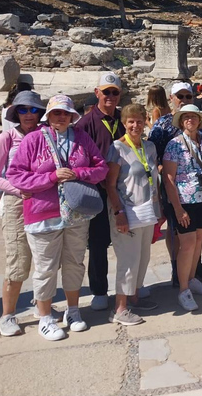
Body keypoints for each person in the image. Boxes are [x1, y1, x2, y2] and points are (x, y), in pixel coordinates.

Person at [7, 95, 108, 340]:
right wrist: (51, 177)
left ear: (72, 116)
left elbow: (101, 167)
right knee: (45, 267)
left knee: (74, 262)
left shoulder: (81, 138)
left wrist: (76, 173)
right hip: (43, 213)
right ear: (48, 116)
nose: (61, 117)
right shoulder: (32, 140)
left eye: (65, 113)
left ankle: (73, 311)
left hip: (76, 214)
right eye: (56, 113)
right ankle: (45, 317)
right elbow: (15, 175)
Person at [0, 91, 45, 337]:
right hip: (16, 203)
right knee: (18, 259)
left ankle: (42, 305)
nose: (29, 114)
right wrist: (19, 190)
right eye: (23, 110)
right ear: (16, 113)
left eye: (33, 110)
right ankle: (7, 315)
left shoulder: (45, 136)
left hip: (43, 202)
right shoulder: (7, 138)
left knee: (45, 259)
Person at [148, 82, 202, 287]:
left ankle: (193, 269)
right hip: (176, 188)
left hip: (201, 192)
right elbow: (154, 157)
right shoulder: (162, 125)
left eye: (188, 96)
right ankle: (177, 268)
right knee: (176, 231)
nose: (184, 100)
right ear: (171, 98)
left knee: (196, 235)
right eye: (180, 97)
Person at [105, 104, 161, 326]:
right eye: (131, 122)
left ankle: (134, 297)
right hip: (126, 210)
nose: (135, 125)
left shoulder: (150, 147)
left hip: (147, 210)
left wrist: (159, 210)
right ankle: (119, 308)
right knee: (128, 260)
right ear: (124, 124)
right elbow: (110, 184)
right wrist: (119, 212)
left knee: (143, 256)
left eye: (139, 121)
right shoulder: (117, 148)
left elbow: (153, 178)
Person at [75, 72, 126, 312]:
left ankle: (129, 286)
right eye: (106, 92)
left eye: (115, 92)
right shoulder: (85, 124)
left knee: (126, 238)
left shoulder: (123, 119)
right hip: (97, 191)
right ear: (97, 93)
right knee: (97, 242)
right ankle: (99, 290)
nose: (111, 96)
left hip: (123, 190)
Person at [163, 105, 202, 311]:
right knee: (186, 245)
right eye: (186, 117)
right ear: (181, 120)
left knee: (199, 240)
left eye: (193, 117)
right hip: (184, 200)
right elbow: (168, 178)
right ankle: (183, 288)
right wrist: (177, 209)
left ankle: (192, 278)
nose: (190, 120)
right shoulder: (174, 145)